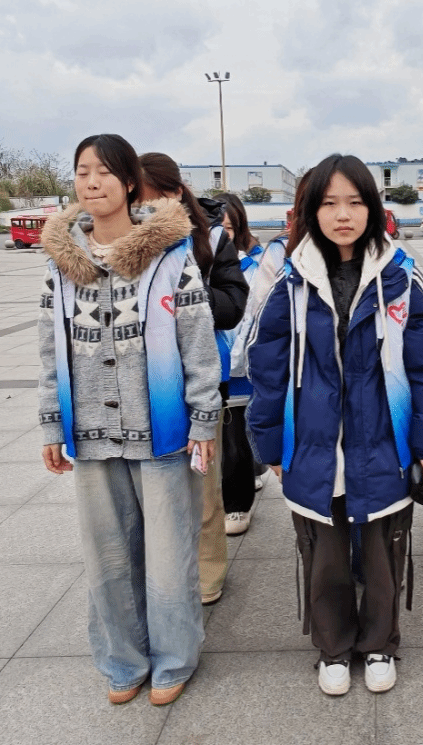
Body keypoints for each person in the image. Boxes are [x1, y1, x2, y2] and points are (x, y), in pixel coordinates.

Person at [246, 154, 423, 696]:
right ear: (311, 212)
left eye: (355, 202)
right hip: (312, 444)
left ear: (373, 209)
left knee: (384, 550)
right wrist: (271, 445)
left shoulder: (402, 278)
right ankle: (334, 647)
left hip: (384, 442)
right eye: (330, 203)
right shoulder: (289, 282)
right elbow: (265, 370)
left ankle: (380, 641)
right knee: (324, 552)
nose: (343, 215)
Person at [37, 133, 221, 706]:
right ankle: (123, 659)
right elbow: (49, 348)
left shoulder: (170, 256)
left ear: (128, 182)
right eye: (82, 171)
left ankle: (174, 658)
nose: (91, 183)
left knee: (168, 558)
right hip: (90, 432)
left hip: (162, 430)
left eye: (104, 172)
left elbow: (198, 343)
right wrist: (51, 424)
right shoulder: (61, 263)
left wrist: (204, 420)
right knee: (108, 558)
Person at [138, 152, 248, 606]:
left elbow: (233, 305)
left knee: (203, 487)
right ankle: (160, 574)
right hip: (140, 383)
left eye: (150, 198)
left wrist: (183, 294)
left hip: (197, 381)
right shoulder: (120, 239)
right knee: (150, 491)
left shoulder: (211, 238)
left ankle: (207, 572)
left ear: (173, 192)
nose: (142, 209)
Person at [213, 192, 264, 535]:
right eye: (216, 227)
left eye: (229, 228)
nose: (222, 234)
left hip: (241, 368)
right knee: (220, 438)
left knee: (236, 437)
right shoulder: (194, 265)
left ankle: (236, 505)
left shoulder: (254, 267)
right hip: (208, 368)